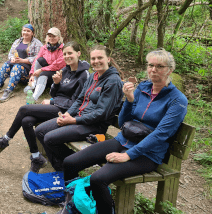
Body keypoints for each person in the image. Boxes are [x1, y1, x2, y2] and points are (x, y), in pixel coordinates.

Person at [62, 48, 188, 213]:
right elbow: (123, 122)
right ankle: (76, 204)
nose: (153, 70)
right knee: (69, 162)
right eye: (151, 65)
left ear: (170, 70)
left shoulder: (177, 100)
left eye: (160, 66)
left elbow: (161, 134)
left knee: (98, 179)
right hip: (122, 140)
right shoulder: (143, 87)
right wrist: (129, 99)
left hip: (148, 154)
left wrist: (127, 155)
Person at [0, 42, 90, 173]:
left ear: (78, 53)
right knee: (26, 121)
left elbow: (77, 102)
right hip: (57, 105)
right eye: (64, 54)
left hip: (67, 112)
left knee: (24, 109)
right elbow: (54, 92)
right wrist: (57, 84)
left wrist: (52, 102)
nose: (67, 56)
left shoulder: (84, 75)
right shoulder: (65, 70)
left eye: (70, 53)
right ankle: (36, 157)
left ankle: (5, 140)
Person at [35, 45, 124, 171]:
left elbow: (101, 113)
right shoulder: (93, 76)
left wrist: (73, 121)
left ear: (108, 59)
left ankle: (69, 166)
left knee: (49, 138)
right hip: (78, 119)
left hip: (94, 126)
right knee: (40, 130)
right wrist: (68, 114)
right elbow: (80, 100)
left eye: (100, 57)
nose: (96, 61)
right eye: (93, 58)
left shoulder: (113, 81)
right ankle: (66, 166)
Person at [0, 24, 43, 102]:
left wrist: (23, 61)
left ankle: (9, 90)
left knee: (17, 67)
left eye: (28, 31)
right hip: (16, 69)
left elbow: (38, 58)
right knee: (6, 65)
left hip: (28, 73)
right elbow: (10, 54)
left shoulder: (37, 44)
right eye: (24, 30)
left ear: (32, 33)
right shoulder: (18, 41)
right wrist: (12, 58)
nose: (26, 32)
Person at [24, 27, 66, 101]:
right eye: (49, 36)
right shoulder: (45, 47)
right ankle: (34, 84)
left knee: (44, 74)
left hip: (59, 72)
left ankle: (34, 97)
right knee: (39, 60)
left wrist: (41, 70)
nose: (51, 38)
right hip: (47, 69)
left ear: (59, 37)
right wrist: (32, 74)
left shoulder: (62, 49)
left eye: (54, 36)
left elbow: (57, 65)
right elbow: (36, 60)